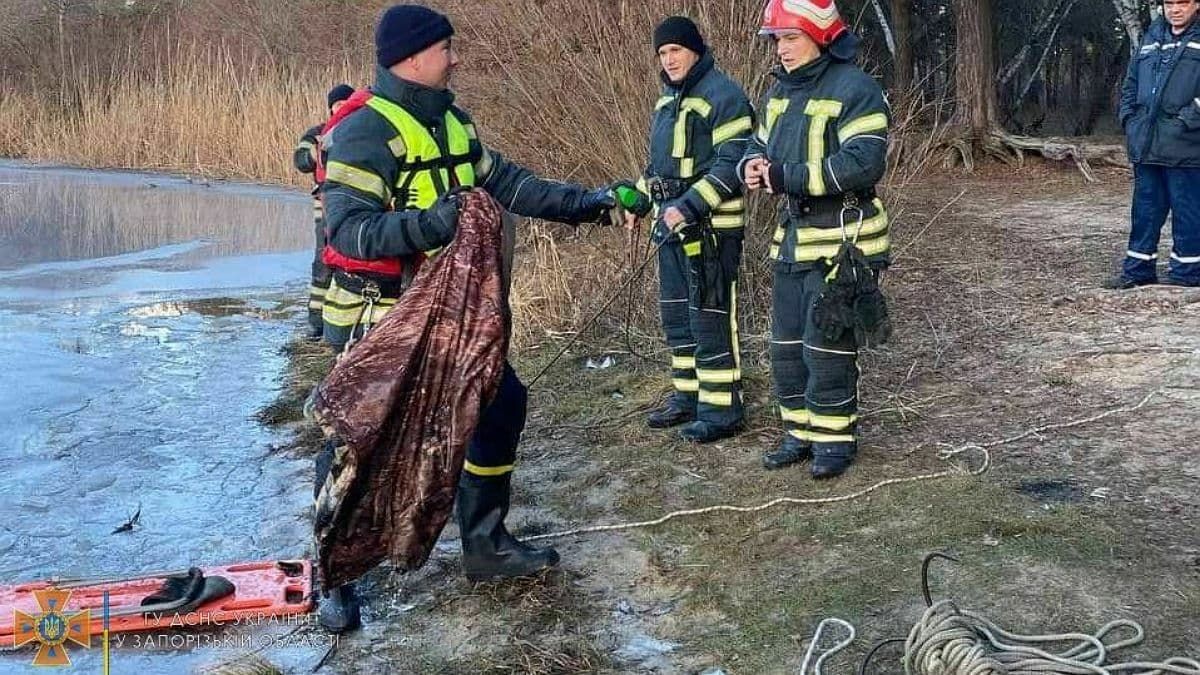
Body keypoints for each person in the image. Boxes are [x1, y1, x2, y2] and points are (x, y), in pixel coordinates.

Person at [314, 4, 622, 632]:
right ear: (412, 56)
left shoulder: (454, 121)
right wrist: (431, 224)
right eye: (446, 48)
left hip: (454, 315)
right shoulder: (363, 130)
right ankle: (334, 574)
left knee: (501, 401)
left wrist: (593, 204)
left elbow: (512, 184)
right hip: (384, 315)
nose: (455, 58)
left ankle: (484, 543)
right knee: (359, 439)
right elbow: (348, 230)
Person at [740, 0, 891, 479]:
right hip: (793, 239)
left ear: (820, 36)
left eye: (791, 37)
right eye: (777, 39)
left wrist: (786, 176)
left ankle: (834, 442)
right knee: (785, 346)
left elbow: (863, 162)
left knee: (826, 348)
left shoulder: (857, 89)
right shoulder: (779, 92)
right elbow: (757, 143)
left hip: (845, 241)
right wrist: (752, 164)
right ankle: (798, 435)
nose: (781, 49)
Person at [623, 17, 754, 444]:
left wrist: (688, 207)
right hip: (670, 228)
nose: (669, 59)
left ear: (694, 50)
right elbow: (657, 169)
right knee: (677, 315)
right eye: (662, 53)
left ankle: (721, 410)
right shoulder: (666, 101)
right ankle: (689, 395)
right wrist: (640, 200)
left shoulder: (725, 96)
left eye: (675, 50)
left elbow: (732, 164)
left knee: (709, 315)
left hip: (712, 229)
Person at [1107, 0, 1200, 289]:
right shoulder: (1151, 37)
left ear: (1196, 5)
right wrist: (1129, 120)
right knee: (1145, 211)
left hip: (1186, 146)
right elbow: (1130, 83)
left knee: (1188, 212)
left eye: (1182, 2)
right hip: (1146, 144)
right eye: (1169, 3)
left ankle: (1187, 274)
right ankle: (1137, 271)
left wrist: (1186, 121)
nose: (1175, 9)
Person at [293, 84, 355, 339]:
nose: (341, 109)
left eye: (345, 104)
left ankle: (342, 320)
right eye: (337, 105)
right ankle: (316, 320)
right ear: (331, 108)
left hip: (353, 204)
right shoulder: (317, 133)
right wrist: (317, 150)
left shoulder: (360, 132)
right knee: (323, 259)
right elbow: (300, 161)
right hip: (325, 204)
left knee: (349, 259)